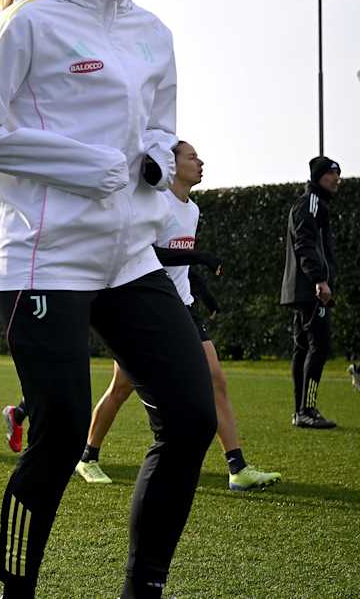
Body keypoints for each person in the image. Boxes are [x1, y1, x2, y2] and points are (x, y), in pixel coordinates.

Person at [0, 0, 217, 598]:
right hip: (45, 256)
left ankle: (143, 591)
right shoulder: (26, 22)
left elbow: (158, 124)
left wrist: (157, 157)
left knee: (191, 418)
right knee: (61, 433)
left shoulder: (152, 32)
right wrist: (90, 165)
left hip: (130, 256)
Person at [73, 141, 281, 491]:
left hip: (181, 305)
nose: (200, 162)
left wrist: (203, 290)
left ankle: (237, 468)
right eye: (192, 157)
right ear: (172, 164)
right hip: (145, 307)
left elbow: (181, 262)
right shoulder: (156, 204)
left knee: (216, 378)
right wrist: (201, 257)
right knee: (121, 388)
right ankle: (87, 457)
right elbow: (150, 254)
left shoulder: (193, 210)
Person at [281, 156, 342, 428]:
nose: (337, 179)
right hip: (311, 290)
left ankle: (301, 411)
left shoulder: (313, 204)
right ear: (319, 177)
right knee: (319, 346)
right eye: (332, 174)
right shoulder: (312, 203)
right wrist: (320, 280)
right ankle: (307, 409)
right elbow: (305, 243)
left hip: (304, 289)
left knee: (303, 347)